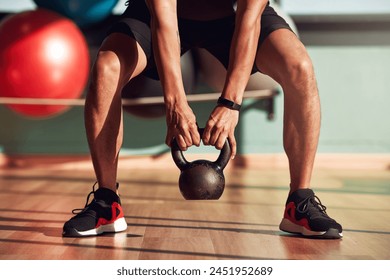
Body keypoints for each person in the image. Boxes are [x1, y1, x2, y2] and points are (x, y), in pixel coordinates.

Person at [62, 0, 343, 239]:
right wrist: (175, 103)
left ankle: (299, 203)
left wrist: (230, 104)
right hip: (157, 17)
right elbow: (164, 20)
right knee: (107, 67)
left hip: (233, 15)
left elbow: (249, 21)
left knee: (299, 67)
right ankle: (106, 203)